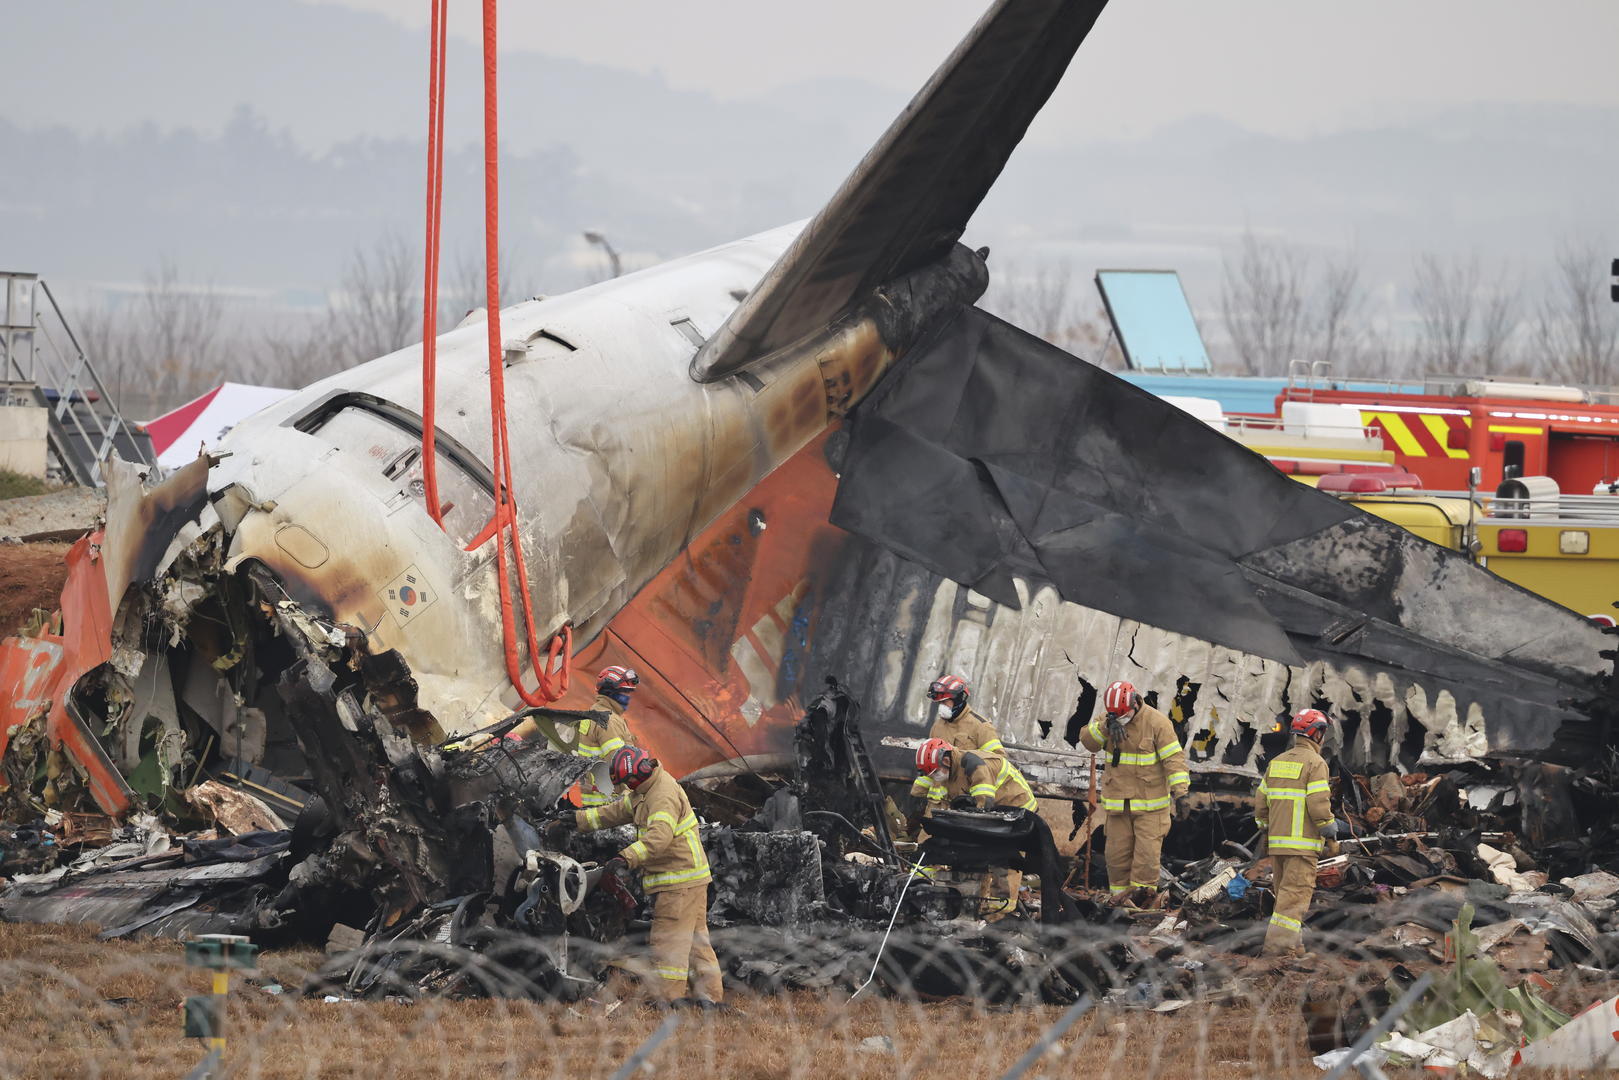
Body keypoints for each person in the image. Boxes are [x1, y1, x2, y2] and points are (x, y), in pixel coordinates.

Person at [556, 746, 723, 1007]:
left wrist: (625, 858)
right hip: (689, 879)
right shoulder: (645, 790)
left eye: (627, 783)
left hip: (677, 882)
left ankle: (666, 1000)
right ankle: (710, 999)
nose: (626, 788)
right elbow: (615, 812)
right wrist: (578, 819)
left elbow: (659, 838)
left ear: (635, 776)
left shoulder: (662, 796)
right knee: (695, 944)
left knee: (668, 942)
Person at [1078, 679, 1189, 908]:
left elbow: (1174, 759)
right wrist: (1106, 726)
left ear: (1134, 703)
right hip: (1118, 805)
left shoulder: (1157, 722)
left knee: (1146, 861)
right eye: (1115, 715)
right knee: (1116, 858)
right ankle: (1119, 906)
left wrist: (1181, 792)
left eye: (1123, 714)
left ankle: (1142, 906)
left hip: (1150, 808)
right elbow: (1088, 742)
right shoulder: (1108, 719)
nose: (1121, 718)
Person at [909, 736, 1038, 920]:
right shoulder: (947, 774)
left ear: (946, 761)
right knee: (976, 854)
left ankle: (1000, 912)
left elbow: (983, 805)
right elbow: (936, 810)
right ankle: (978, 905)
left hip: (1017, 809)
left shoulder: (974, 765)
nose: (934, 777)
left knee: (1003, 855)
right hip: (995, 811)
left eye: (935, 772)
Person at [1255, 709, 1337, 960]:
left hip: (1278, 846)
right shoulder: (1315, 763)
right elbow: (1318, 803)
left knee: (1285, 899)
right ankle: (1278, 952)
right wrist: (1330, 830)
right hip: (1302, 847)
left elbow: (1261, 803)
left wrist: (1266, 828)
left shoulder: (1277, 762)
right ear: (1317, 733)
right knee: (1294, 900)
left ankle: (1295, 947)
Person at [506, 665, 640, 806]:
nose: (628, 697)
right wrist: (634, 793)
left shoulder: (594, 714)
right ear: (611, 691)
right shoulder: (609, 721)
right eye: (625, 692)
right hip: (612, 802)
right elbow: (621, 764)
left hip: (595, 802)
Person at [926, 675, 1004, 756]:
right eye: (939, 702)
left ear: (957, 700)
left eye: (945, 701)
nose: (941, 706)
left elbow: (998, 759)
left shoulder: (981, 727)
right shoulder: (937, 727)